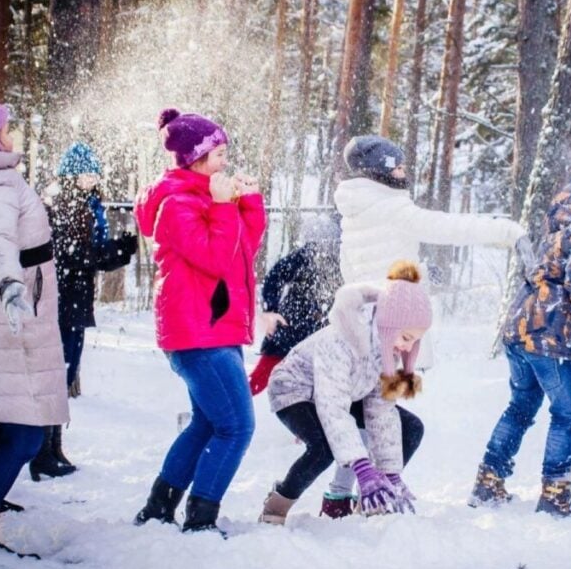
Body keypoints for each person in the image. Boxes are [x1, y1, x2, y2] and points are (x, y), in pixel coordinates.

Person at [317, 134, 530, 517]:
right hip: (391, 324)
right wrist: (508, 232)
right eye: (396, 165)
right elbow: (447, 227)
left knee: (370, 412)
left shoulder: (358, 207)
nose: (403, 172)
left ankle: (346, 494)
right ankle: (350, 494)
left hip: (368, 319)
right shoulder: (390, 208)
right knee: (376, 413)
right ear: (378, 171)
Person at [131, 108, 265, 536]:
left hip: (217, 327)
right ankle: (201, 520)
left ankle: (158, 508)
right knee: (236, 426)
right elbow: (211, 258)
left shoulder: (208, 196)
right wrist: (225, 207)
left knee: (209, 423)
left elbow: (244, 250)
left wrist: (249, 202)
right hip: (197, 332)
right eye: (219, 154)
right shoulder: (177, 203)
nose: (226, 162)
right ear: (195, 158)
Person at [468, 157, 571, 517]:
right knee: (570, 414)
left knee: (521, 406)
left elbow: (553, 282)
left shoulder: (560, 222)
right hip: (552, 339)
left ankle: (488, 482)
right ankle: (556, 495)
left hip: (522, 332)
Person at [0, 93, 69, 555]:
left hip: (6, 309)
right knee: (24, 435)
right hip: (8, 312)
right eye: (5, 126)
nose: (12, 133)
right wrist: (9, 285)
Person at [258, 261, 431, 524]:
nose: (408, 348)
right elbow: (333, 410)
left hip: (342, 392)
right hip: (295, 390)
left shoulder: (386, 349)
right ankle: (275, 507)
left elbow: (380, 412)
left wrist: (390, 473)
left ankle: (374, 498)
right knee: (323, 448)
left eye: (414, 341)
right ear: (389, 324)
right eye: (406, 338)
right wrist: (362, 468)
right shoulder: (340, 340)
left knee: (411, 427)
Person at [28, 142, 137, 481]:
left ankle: (53, 446)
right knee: (57, 373)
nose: (93, 178)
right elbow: (72, 256)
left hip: (74, 300)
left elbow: (89, 256)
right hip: (61, 301)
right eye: (87, 172)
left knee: (67, 369)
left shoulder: (88, 205)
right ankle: (42, 452)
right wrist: (115, 250)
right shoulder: (63, 205)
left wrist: (119, 251)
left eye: (94, 172)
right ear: (73, 175)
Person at [247, 213, 342, 397]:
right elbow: (274, 277)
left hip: (316, 336)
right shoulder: (304, 257)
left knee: (319, 388)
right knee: (259, 379)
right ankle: (225, 407)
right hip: (290, 330)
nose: (324, 247)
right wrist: (271, 310)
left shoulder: (339, 263)